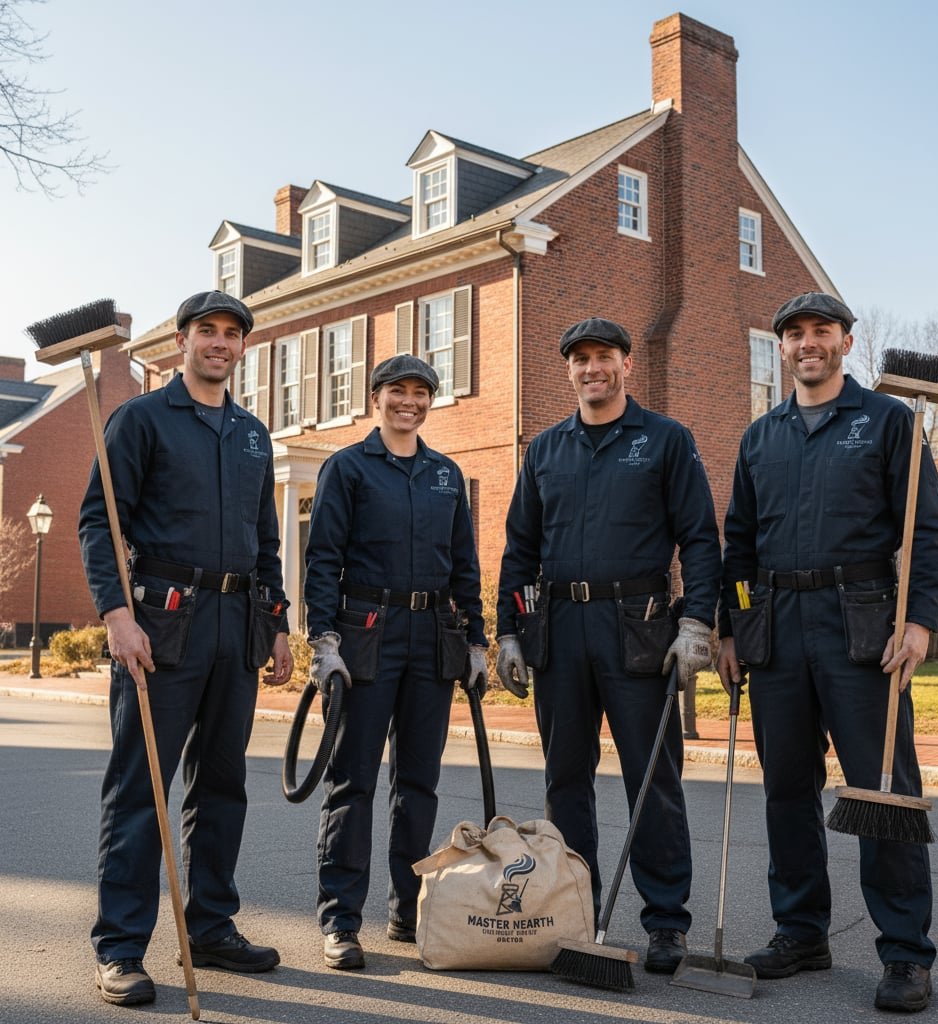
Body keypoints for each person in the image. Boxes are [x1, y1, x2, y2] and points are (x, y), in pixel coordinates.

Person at [717, 292, 938, 1013]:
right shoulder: (762, 436)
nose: (807, 343)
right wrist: (731, 626)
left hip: (863, 628)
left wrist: (918, 622)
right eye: (794, 333)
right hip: (777, 629)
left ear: (847, 343)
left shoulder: (888, 422)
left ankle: (906, 954)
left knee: (883, 789)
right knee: (786, 788)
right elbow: (739, 546)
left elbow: (929, 534)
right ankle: (801, 931)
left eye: (822, 331)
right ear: (781, 347)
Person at [79, 290, 293, 1007]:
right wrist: (116, 615)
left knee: (222, 784)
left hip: (237, 624)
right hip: (162, 621)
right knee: (143, 788)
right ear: (183, 341)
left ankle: (209, 926)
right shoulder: (140, 420)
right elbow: (96, 522)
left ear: (241, 348)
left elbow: (266, 540)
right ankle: (119, 948)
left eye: (233, 334)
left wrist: (278, 621)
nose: (221, 343)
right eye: (209, 330)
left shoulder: (253, 434)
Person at [495, 317, 721, 973]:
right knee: (565, 782)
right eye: (581, 359)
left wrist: (697, 622)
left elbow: (701, 539)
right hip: (561, 630)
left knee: (651, 780)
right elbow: (520, 549)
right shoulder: (545, 450)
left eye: (605, 357)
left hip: (641, 626)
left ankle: (665, 925)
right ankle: (574, 914)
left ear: (626, 364)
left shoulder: (666, 441)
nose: (593, 368)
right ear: (568, 369)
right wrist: (510, 629)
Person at [304, 353, 487, 971]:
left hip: (433, 637)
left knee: (418, 783)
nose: (409, 402)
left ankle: (408, 911)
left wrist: (480, 642)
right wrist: (323, 642)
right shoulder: (348, 468)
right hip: (366, 634)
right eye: (397, 391)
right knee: (352, 781)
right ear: (375, 397)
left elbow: (465, 564)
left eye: (420, 393)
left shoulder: (445, 474)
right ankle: (340, 921)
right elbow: (322, 559)